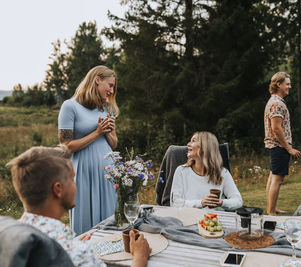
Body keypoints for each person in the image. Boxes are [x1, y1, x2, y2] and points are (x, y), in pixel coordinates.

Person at [6, 145, 151, 267]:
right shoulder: (80, 255)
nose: (76, 185)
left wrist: (69, 243)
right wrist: (140, 257)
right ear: (58, 189)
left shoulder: (12, 238)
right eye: (72, 178)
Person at [58, 65, 119, 235]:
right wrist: (97, 132)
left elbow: (114, 144)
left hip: (107, 171)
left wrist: (108, 132)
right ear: (97, 79)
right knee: (85, 218)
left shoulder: (106, 108)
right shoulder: (70, 107)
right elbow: (66, 146)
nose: (112, 91)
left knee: (109, 219)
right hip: (82, 171)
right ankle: (84, 256)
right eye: (110, 85)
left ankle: (109, 256)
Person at [170, 131, 242, 210]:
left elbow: (238, 201)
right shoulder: (181, 171)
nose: (188, 144)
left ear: (205, 147)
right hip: (189, 218)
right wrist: (201, 203)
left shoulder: (222, 173)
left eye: (193, 141)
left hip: (215, 220)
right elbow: (175, 203)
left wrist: (221, 202)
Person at [264, 72, 301, 216]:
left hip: (276, 146)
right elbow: (276, 128)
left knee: (273, 177)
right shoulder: (276, 104)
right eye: (287, 84)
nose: (289, 86)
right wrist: (289, 148)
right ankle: (271, 212)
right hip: (278, 146)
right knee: (277, 179)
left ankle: (271, 208)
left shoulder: (275, 101)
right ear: (278, 84)